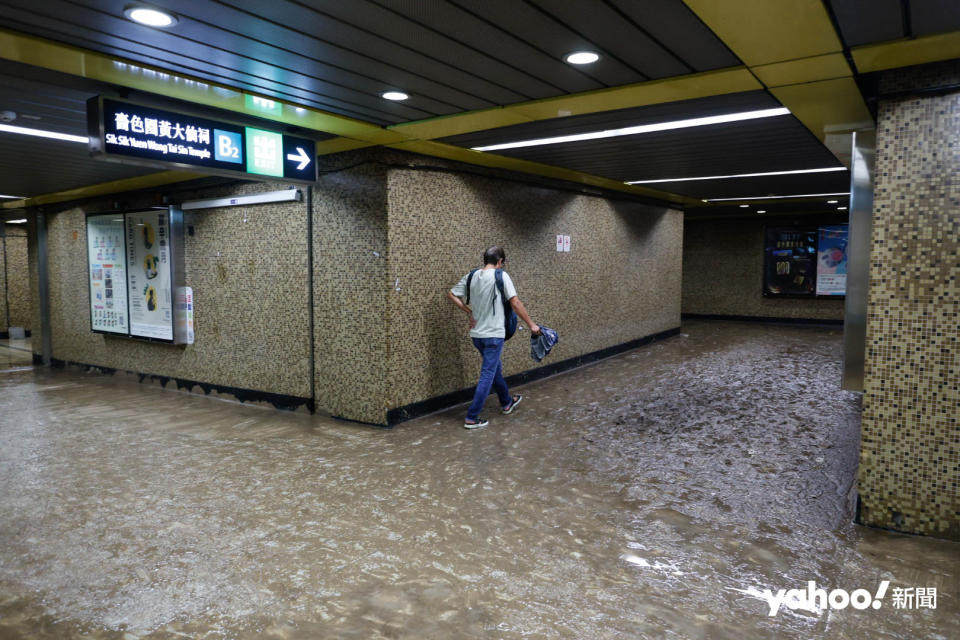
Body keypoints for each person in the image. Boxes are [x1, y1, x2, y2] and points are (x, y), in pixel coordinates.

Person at [447, 246, 540, 429]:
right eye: (502, 263)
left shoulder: (472, 276)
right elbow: (515, 302)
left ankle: (506, 402)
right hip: (493, 335)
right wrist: (531, 324)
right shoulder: (501, 275)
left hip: (477, 336)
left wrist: (469, 312)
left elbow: (452, 293)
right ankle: (472, 417)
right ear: (500, 262)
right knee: (488, 374)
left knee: (494, 368)